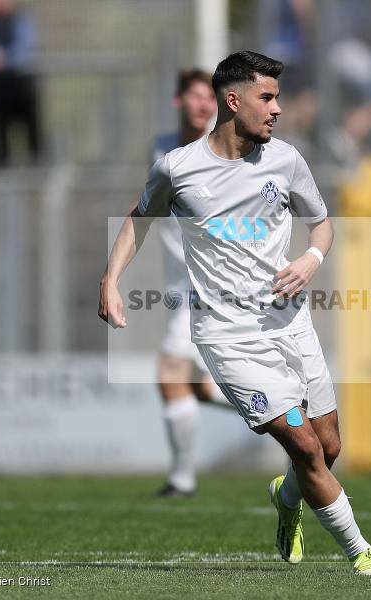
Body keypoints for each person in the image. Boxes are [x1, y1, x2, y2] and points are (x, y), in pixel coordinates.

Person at [99, 51, 371, 576]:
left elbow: (322, 224)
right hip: (226, 335)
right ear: (234, 101)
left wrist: (310, 258)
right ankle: (361, 552)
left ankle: (286, 499)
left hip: (290, 321)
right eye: (268, 98)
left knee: (327, 446)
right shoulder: (179, 168)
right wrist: (111, 279)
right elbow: (139, 219)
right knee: (303, 445)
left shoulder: (286, 160)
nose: (278, 109)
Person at [152, 69, 233, 498]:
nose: (204, 104)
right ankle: (287, 411)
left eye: (210, 98)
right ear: (177, 101)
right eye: (196, 96)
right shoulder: (163, 147)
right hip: (180, 288)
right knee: (201, 387)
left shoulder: (218, 149)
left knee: (169, 373)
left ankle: (182, 480)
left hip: (207, 287)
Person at [0, 0, 43, 165]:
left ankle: (37, 166)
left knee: (32, 134)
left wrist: (1, 59)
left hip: (22, 86)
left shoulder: (21, 20)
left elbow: (25, 49)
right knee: (1, 135)